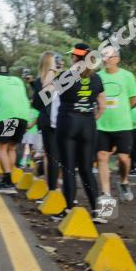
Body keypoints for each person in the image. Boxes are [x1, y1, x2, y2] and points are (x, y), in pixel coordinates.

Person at [51, 44, 106, 220]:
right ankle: (97, 211)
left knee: (68, 168)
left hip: (68, 121)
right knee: (87, 169)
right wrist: (90, 117)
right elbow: (102, 105)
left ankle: (68, 209)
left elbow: (46, 94)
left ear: (75, 57)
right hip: (88, 123)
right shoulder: (97, 78)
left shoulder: (66, 76)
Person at [0, 64, 32, 193]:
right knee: (12, 148)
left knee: (1, 148)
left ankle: (8, 181)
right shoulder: (17, 80)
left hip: (9, 116)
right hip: (24, 115)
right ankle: (7, 179)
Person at [96, 49, 136, 201]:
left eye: (110, 57)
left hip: (123, 125)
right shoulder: (98, 76)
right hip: (101, 125)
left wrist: (121, 110)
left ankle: (123, 181)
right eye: (104, 56)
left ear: (117, 59)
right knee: (102, 157)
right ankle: (106, 194)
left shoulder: (128, 76)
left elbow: (133, 100)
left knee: (123, 159)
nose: (106, 59)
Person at [30, 52, 61, 191]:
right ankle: (62, 189)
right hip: (63, 119)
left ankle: (51, 189)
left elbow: (37, 104)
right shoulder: (63, 78)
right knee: (62, 156)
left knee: (49, 156)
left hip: (46, 120)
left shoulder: (38, 82)